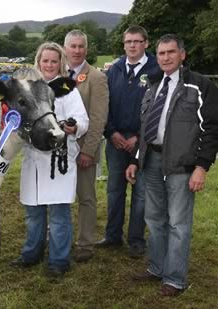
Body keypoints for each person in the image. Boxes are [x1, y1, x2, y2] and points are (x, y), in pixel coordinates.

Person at [126, 34, 218, 297]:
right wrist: (135, 159)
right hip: (151, 160)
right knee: (154, 218)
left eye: (171, 52)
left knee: (178, 223)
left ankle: (175, 279)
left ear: (182, 54)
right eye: (161, 53)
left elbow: (212, 128)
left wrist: (202, 166)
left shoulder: (200, 86)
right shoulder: (153, 84)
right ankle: (156, 267)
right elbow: (145, 126)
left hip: (182, 165)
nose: (165, 57)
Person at [10, 42, 89, 277]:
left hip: (58, 160)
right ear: (38, 61)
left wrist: (73, 127)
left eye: (54, 61)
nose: (49, 65)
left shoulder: (68, 90)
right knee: (34, 212)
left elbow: (83, 120)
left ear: (61, 63)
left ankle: (58, 260)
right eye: (45, 60)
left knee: (58, 214)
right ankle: (31, 253)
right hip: (34, 160)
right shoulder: (27, 89)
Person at [99, 25, 160, 258]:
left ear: (146, 43)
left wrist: (139, 137)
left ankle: (136, 239)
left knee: (141, 192)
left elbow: (157, 109)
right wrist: (111, 132)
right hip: (115, 140)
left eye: (137, 41)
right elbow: (105, 106)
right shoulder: (114, 69)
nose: (132, 45)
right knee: (114, 189)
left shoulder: (156, 70)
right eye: (128, 42)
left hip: (143, 141)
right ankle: (112, 235)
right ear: (123, 44)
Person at [64, 30, 109, 262]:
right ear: (65, 48)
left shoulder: (97, 78)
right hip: (59, 151)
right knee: (58, 197)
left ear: (87, 49)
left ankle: (85, 243)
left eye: (81, 46)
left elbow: (98, 118)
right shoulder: (57, 73)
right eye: (73, 46)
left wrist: (88, 151)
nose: (77, 50)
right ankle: (58, 238)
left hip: (83, 150)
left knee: (86, 197)